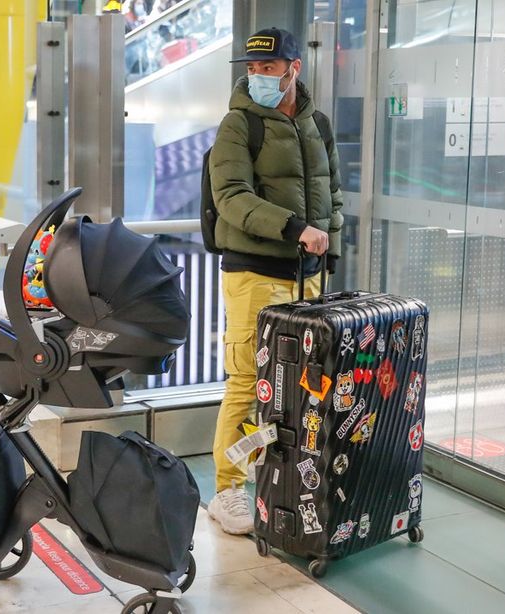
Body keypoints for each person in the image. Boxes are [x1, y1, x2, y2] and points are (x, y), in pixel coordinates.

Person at [205, 27, 343, 535]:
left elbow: (334, 197)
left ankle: (281, 480)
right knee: (247, 381)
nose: (258, 75)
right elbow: (232, 197)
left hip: (307, 278)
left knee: (300, 386)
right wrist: (293, 228)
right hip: (255, 275)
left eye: (268, 67)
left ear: (293, 68)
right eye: (252, 68)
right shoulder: (238, 125)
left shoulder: (317, 125)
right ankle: (227, 491)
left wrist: (331, 250)